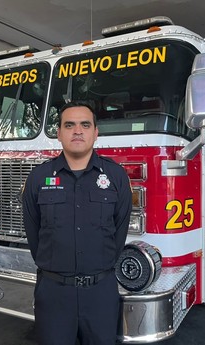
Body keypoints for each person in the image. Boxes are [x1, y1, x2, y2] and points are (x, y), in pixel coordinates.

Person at [22, 100, 132, 345]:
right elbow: (34, 233)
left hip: (101, 293)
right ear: (59, 133)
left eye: (85, 124)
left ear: (95, 132)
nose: (78, 131)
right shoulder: (39, 178)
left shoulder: (115, 176)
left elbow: (120, 229)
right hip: (53, 294)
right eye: (69, 125)